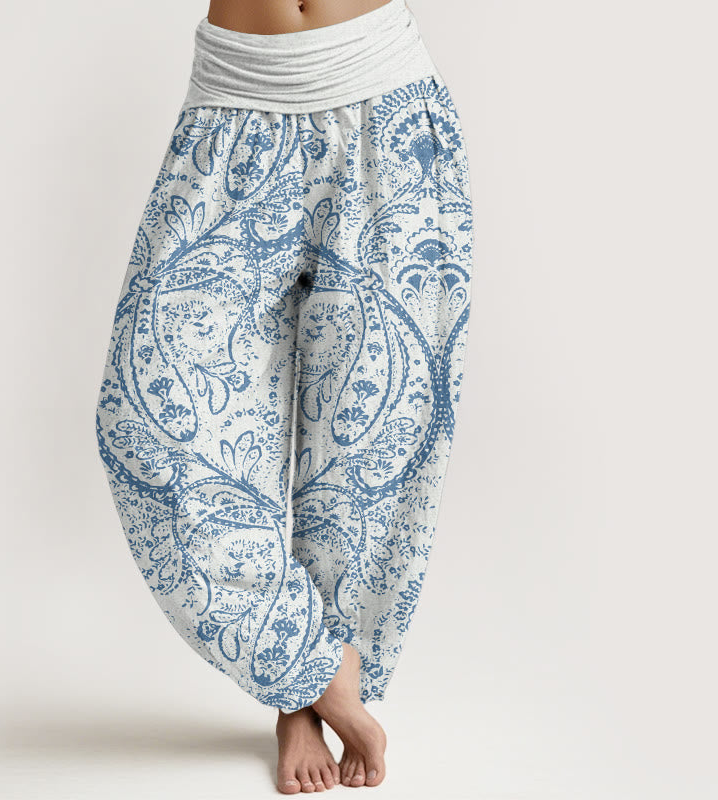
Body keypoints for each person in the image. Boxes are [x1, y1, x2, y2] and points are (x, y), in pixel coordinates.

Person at [94, 0, 473, 793]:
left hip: (383, 100)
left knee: (369, 439)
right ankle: (312, 667)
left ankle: (305, 700)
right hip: (232, 108)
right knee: (150, 419)